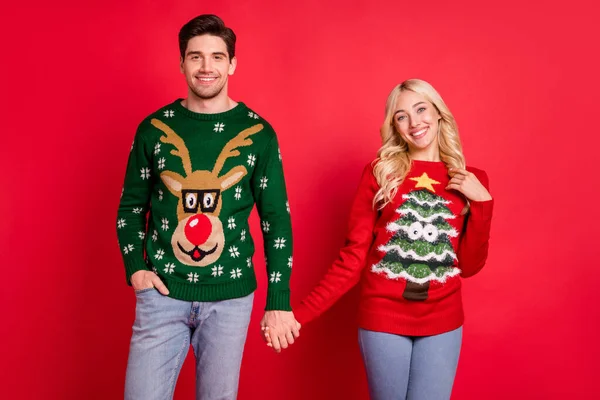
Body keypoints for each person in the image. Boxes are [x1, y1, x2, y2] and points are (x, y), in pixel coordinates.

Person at [265, 79, 493, 399]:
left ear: (439, 113)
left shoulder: (471, 180)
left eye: (421, 109)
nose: (414, 123)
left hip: (444, 324)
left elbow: (468, 266)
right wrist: (297, 315)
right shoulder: (379, 174)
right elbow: (352, 259)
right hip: (383, 321)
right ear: (394, 126)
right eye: (401, 116)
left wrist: (483, 204)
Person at [116, 14, 300, 400]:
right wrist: (137, 270)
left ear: (232, 64)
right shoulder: (154, 129)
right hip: (162, 293)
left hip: (231, 298)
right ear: (181, 63)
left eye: (217, 57)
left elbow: (276, 219)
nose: (206, 67)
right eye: (195, 56)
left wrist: (278, 300)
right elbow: (131, 207)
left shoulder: (258, 134)